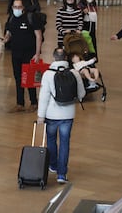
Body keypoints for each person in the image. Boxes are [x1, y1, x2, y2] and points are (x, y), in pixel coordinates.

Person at [37, 48, 86, 184]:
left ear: (53, 58)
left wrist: (40, 116)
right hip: (68, 114)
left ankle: (53, 165)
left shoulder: (47, 74)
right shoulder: (74, 73)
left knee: (51, 140)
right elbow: (81, 94)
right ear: (66, 58)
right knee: (65, 143)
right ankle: (62, 174)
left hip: (51, 114)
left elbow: (43, 97)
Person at [4, 0, 43, 113]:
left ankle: (34, 102)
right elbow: (9, 32)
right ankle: (20, 103)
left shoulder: (31, 17)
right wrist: (6, 38)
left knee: (30, 78)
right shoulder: (11, 18)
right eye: (15, 7)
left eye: (19, 7)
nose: (17, 9)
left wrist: (37, 53)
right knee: (17, 78)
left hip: (29, 53)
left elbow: (38, 36)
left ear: (23, 7)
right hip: (16, 53)